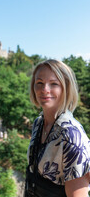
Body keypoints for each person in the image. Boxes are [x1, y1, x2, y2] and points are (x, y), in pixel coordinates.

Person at [25, 59, 90, 197]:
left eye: (54, 84)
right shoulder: (39, 123)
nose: (44, 90)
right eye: (39, 83)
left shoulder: (71, 135)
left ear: (66, 88)